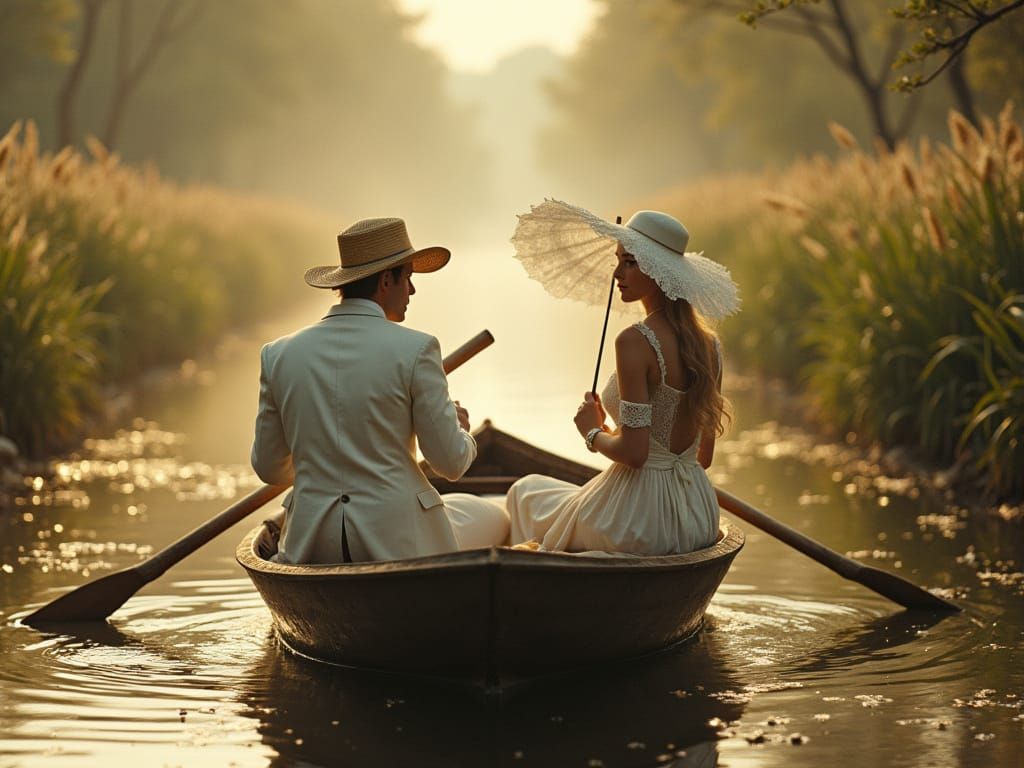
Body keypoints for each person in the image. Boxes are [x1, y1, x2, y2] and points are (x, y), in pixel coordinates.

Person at [251, 217, 509, 564]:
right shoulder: (418, 349)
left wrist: (324, 456)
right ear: (387, 280)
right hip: (399, 542)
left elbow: (269, 468)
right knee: (500, 517)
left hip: (310, 543)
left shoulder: (278, 354)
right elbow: (450, 462)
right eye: (409, 278)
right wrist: (461, 430)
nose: (412, 291)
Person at [507, 210, 735, 556]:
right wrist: (614, 428)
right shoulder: (711, 347)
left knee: (523, 493)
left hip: (639, 520)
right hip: (697, 513)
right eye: (618, 261)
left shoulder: (634, 341)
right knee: (533, 497)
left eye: (628, 262)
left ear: (659, 273)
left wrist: (591, 431)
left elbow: (636, 454)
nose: (617, 273)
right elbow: (701, 457)